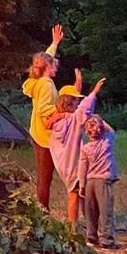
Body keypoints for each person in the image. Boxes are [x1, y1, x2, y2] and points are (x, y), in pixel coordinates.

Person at [47, 74, 106, 224]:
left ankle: (84, 224)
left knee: (78, 193)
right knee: (77, 194)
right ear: (69, 102)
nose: (78, 102)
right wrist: (94, 92)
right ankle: (76, 226)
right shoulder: (74, 121)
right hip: (74, 164)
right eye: (75, 100)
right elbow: (84, 109)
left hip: (64, 166)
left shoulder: (56, 123)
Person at [21, 23, 64, 209]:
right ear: (47, 67)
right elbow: (43, 110)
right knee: (45, 177)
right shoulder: (45, 84)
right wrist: (62, 111)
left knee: (44, 176)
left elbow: (44, 59)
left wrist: (54, 44)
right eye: (53, 65)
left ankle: (42, 209)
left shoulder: (37, 80)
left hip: (38, 133)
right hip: (43, 136)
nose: (56, 67)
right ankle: (42, 212)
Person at [78, 114, 119, 248]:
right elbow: (111, 130)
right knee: (105, 210)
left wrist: (82, 185)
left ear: (87, 132)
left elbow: (82, 168)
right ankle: (107, 239)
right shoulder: (107, 141)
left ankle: (91, 237)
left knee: (90, 211)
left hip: (90, 181)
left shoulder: (85, 148)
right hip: (103, 180)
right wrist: (99, 119)